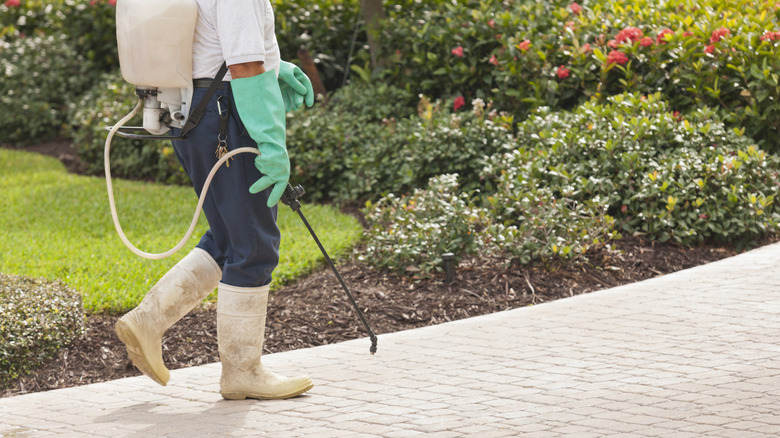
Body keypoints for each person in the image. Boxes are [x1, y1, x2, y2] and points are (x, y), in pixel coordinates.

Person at [114, 0, 315, 400]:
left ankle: (148, 322)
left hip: (193, 111)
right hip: (226, 115)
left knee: (228, 237)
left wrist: (275, 65)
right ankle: (243, 371)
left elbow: (210, 44)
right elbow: (243, 67)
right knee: (254, 244)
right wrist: (271, 141)